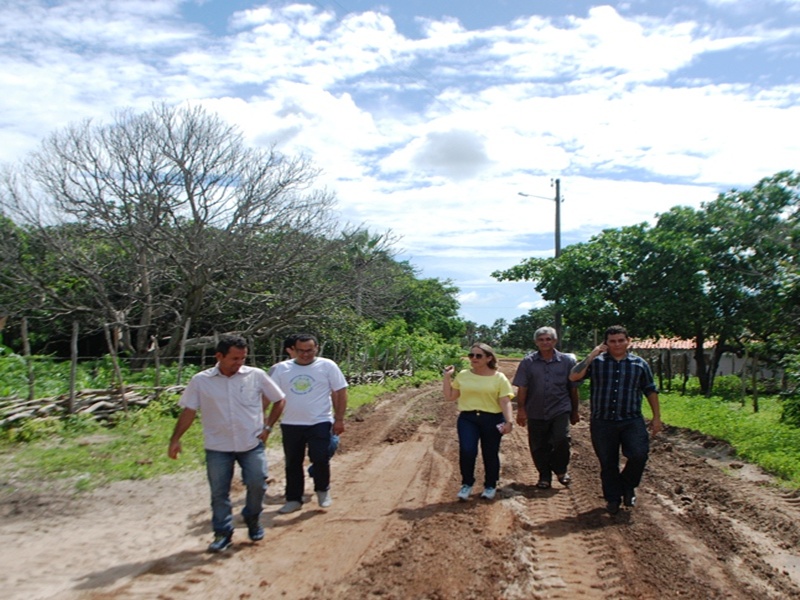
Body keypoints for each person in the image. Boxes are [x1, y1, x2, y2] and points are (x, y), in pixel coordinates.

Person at [168, 335, 285, 552]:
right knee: (219, 493)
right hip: (218, 446)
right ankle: (222, 533)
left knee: (258, 482)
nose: (239, 363)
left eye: (242, 358)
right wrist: (175, 439)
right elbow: (189, 411)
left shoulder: (255, 375)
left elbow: (279, 399)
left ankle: (252, 516)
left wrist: (268, 427)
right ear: (219, 356)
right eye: (234, 358)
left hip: (251, 442)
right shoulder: (201, 381)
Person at [569, 325, 662, 514]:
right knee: (608, 462)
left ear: (628, 341)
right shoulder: (597, 362)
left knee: (638, 454)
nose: (617, 344)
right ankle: (613, 499)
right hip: (602, 421)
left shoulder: (639, 364)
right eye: (612, 341)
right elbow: (574, 376)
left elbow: (650, 390)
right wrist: (593, 354)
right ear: (606, 343)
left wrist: (656, 417)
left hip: (631, 419)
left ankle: (627, 486)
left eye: (621, 340)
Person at [268, 333, 348, 514]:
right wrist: (263, 419)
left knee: (320, 457)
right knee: (293, 462)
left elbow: (340, 391)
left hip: (319, 421)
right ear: (294, 350)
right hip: (290, 423)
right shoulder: (282, 369)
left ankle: (322, 490)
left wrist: (339, 418)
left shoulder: (327, 366)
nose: (305, 354)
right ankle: (294, 499)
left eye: (309, 350)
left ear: (316, 348)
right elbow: (270, 395)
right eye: (301, 351)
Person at [443, 343, 514, 501]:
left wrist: (509, 421)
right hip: (468, 419)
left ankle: (490, 485)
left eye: (478, 356)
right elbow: (450, 397)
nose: (474, 358)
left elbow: (505, 401)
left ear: (489, 358)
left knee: (490, 453)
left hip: (492, 418)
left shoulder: (499, 378)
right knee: (467, 450)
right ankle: (467, 484)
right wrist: (447, 377)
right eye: (471, 355)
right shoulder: (463, 375)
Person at [513, 326, 580, 489]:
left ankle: (561, 470)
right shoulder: (528, 362)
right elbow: (522, 388)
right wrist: (521, 410)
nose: (545, 342)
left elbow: (573, 388)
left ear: (555, 341)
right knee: (538, 444)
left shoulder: (567, 361)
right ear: (536, 342)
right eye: (541, 339)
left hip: (560, 408)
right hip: (535, 409)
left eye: (548, 339)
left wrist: (575, 411)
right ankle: (544, 475)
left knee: (561, 439)